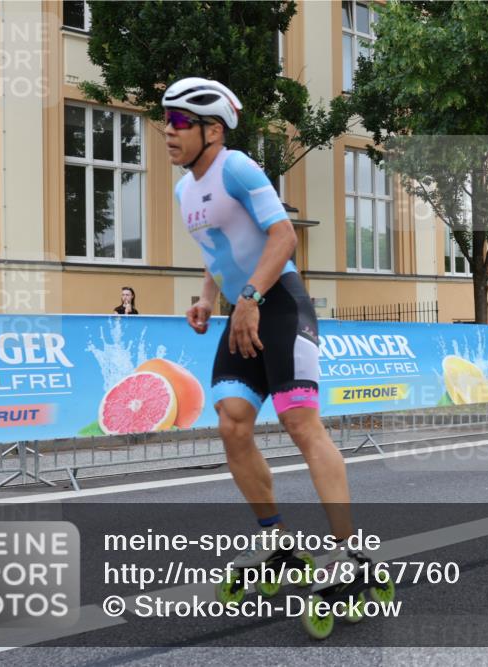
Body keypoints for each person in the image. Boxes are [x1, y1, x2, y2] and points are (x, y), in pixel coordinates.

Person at [163, 77, 363, 576]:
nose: (169, 131)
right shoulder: (184, 188)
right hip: (243, 311)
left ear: (212, 131)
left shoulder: (237, 167)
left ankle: (349, 552)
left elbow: (283, 236)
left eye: (181, 121)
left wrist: (249, 296)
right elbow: (215, 252)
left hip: (280, 306)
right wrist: (208, 300)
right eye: (166, 120)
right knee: (232, 423)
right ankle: (278, 544)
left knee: (300, 422)